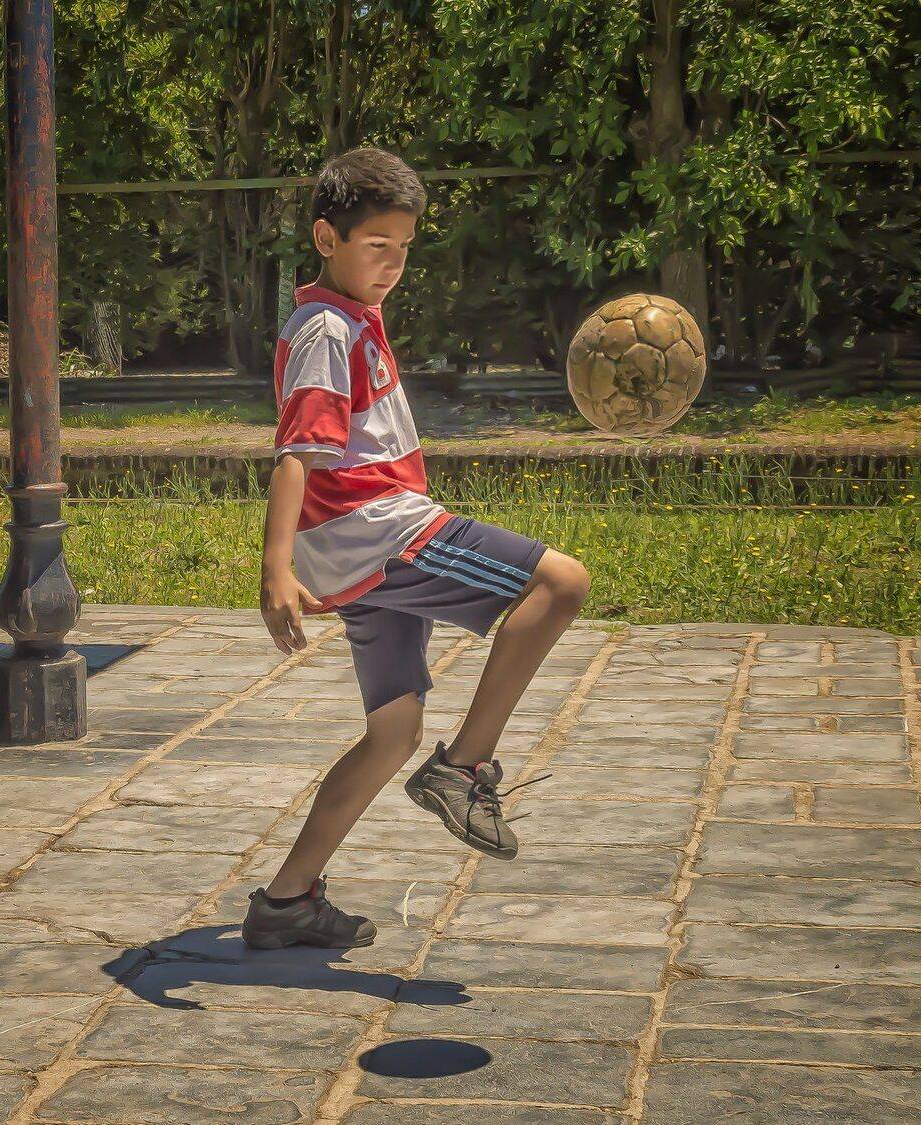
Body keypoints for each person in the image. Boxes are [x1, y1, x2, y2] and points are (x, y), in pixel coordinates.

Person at [245, 146, 592, 950]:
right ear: (326, 238)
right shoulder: (327, 328)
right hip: (378, 531)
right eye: (377, 246)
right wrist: (274, 569)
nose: (394, 263)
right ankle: (463, 769)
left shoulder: (349, 317)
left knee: (392, 733)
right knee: (561, 584)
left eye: (403, 247)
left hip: (359, 550)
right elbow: (295, 452)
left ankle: (286, 901)